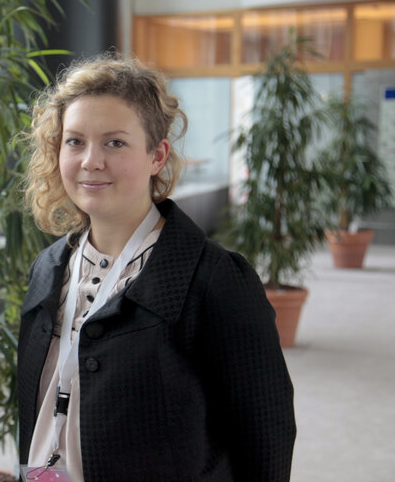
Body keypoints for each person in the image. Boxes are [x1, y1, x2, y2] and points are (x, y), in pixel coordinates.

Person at [18, 55, 296, 482]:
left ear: (157, 155)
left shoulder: (214, 279)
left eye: (115, 142)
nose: (91, 160)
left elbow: (265, 437)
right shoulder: (49, 268)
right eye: (75, 141)